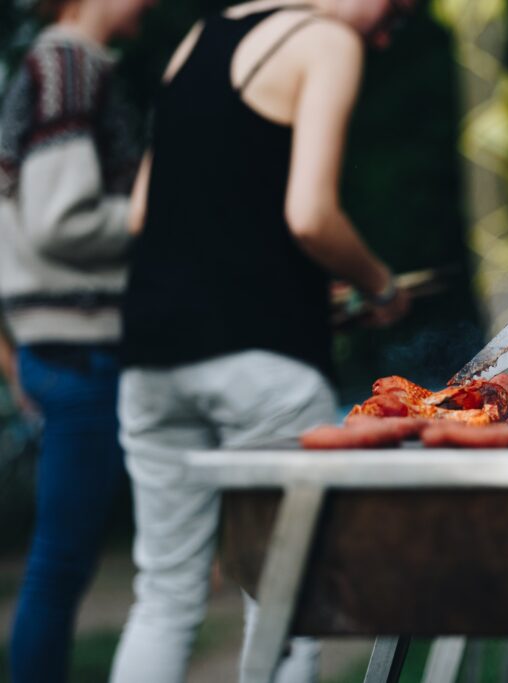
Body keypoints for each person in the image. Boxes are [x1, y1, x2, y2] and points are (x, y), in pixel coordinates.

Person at [109, 0, 412, 680]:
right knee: (285, 602)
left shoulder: (198, 37)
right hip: (264, 365)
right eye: (398, 11)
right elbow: (310, 215)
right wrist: (381, 286)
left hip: (153, 353)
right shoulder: (328, 41)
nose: (389, 34)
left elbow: (141, 214)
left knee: (162, 596)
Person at [0, 0, 152, 680]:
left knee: (63, 560)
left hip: (62, 346)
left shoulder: (60, 65)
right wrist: (159, 219)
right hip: (80, 347)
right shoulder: (65, 64)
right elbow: (61, 219)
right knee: (61, 561)